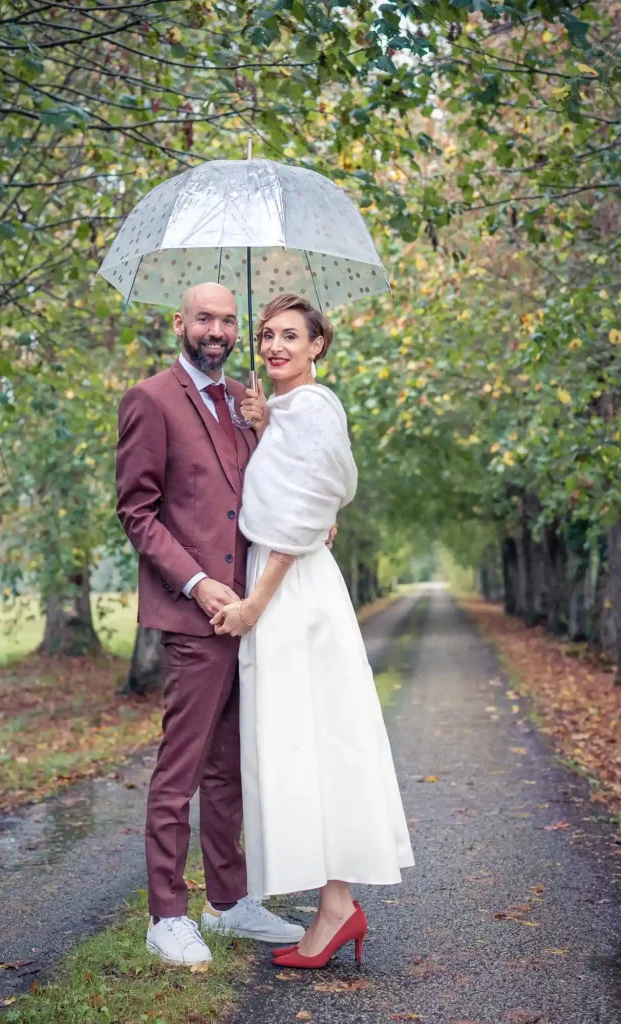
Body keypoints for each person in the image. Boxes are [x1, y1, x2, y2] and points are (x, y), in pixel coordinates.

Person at [212, 293, 415, 971]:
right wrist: (266, 421)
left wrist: (252, 607)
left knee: (318, 738)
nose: (273, 346)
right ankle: (335, 906)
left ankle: (335, 908)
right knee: (304, 741)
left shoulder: (316, 407)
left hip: (289, 594)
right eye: (266, 335)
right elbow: (302, 497)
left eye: (290, 336)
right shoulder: (289, 413)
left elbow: (301, 521)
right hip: (286, 587)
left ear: (318, 345)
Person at [115, 282, 305, 967]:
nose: (217, 330)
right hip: (197, 617)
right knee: (182, 769)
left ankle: (228, 904)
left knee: (230, 768)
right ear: (181, 323)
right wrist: (197, 585)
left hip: (251, 612)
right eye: (205, 318)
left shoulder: (242, 403)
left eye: (228, 320)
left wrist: (266, 426)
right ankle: (166, 914)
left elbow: (260, 499)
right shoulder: (151, 398)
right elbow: (138, 511)